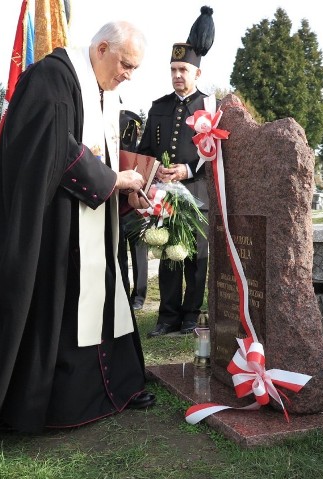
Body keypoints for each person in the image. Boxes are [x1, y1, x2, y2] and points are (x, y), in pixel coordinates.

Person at [0, 20, 155, 439]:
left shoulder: (102, 92)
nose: (128, 74)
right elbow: (53, 145)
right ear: (102, 48)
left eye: (134, 68)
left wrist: (126, 188)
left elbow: (98, 153)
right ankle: (58, 404)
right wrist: (113, 181)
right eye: (126, 64)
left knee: (104, 300)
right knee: (59, 310)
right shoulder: (52, 77)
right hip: (51, 226)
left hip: (90, 224)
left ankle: (115, 388)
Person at [139, 6, 214, 337]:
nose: (177, 75)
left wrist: (187, 169)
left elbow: (218, 154)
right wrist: (155, 173)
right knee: (169, 255)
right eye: (173, 69)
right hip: (164, 195)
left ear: (197, 73)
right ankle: (167, 316)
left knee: (196, 257)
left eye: (183, 69)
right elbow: (142, 151)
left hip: (197, 194)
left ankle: (190, 315)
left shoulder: (210, 107)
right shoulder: (159, 107)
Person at [117, 110, 148, 310]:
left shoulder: (140, 151)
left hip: (134, 208)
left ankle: (139, 296)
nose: (130, 134)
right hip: (114, 207)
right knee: (118, 255)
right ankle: (123, 295)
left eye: (133, 130)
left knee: (139, 254)